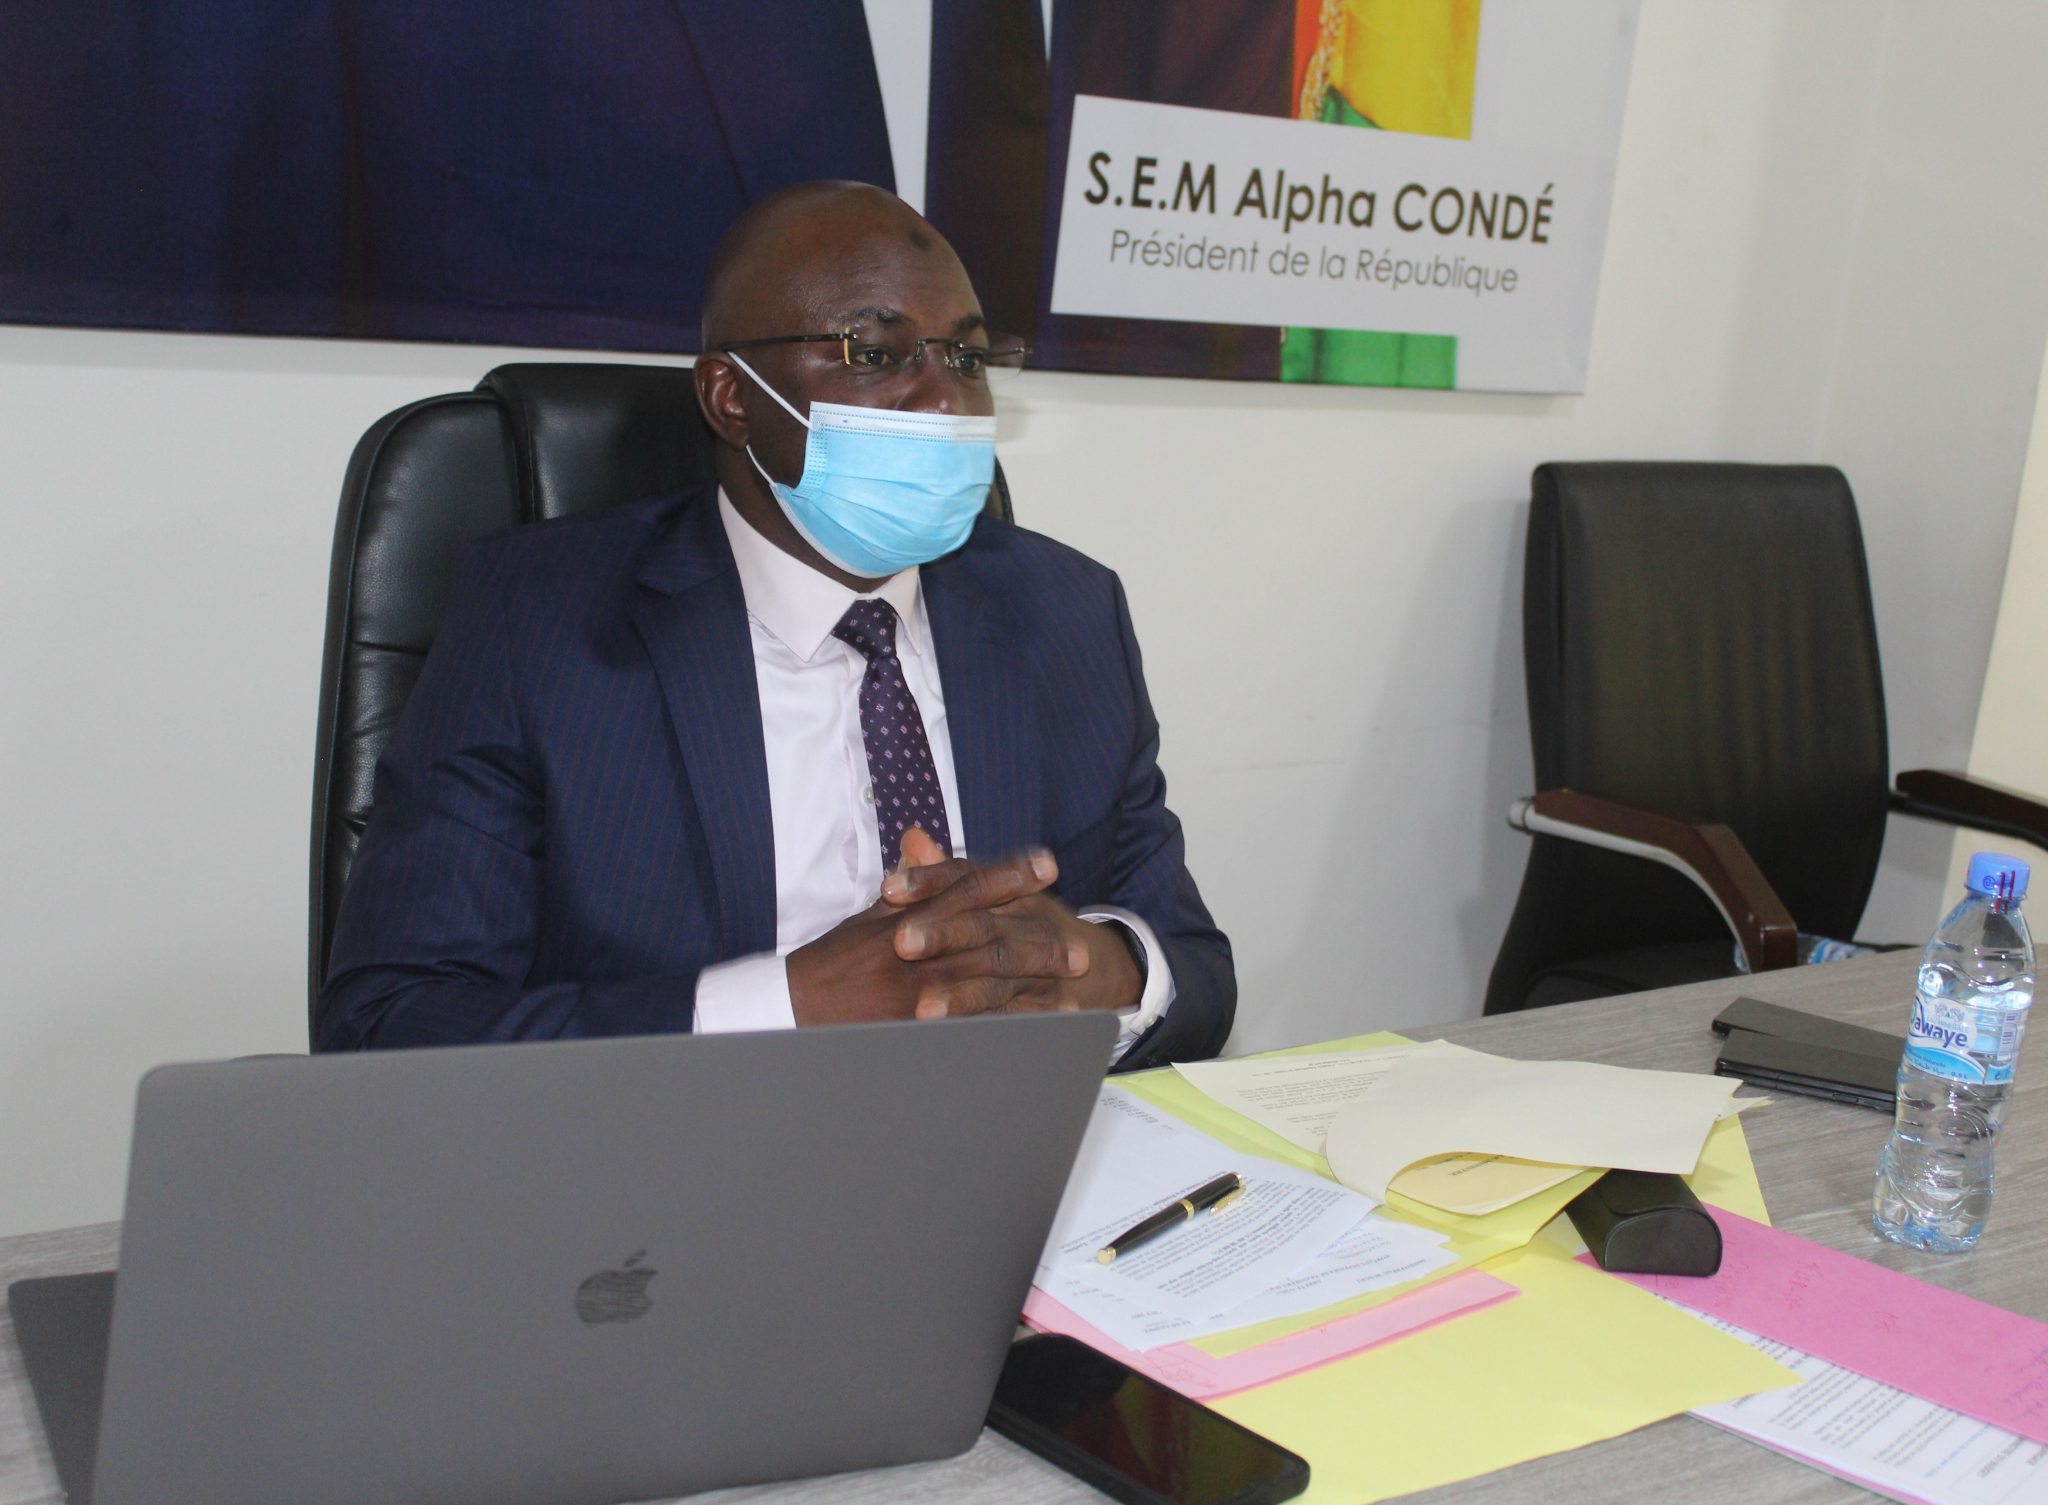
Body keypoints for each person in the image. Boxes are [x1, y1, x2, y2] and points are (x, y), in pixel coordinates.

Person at [317, 182, 1234, 1069]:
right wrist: (793, 1002)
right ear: (731, 396)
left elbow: (1195, 971)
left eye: (966, 357)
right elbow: (389, 1026)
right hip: (683, 1156)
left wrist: (1088, 967)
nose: (946, 401)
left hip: (1006, 1152)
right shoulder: (536, 627)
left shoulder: (1066, 611)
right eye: (875, 352)